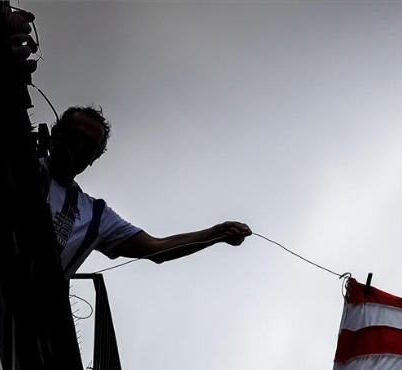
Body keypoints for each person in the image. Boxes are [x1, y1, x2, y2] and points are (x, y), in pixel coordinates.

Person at [43, 105, 251, 277]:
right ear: (55, 135)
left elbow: (156, 248)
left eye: (89, 146)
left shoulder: (95, 215)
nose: (78, 147)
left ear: (94, 159)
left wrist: (217, 233)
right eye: (75, 136)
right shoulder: (20, 165)